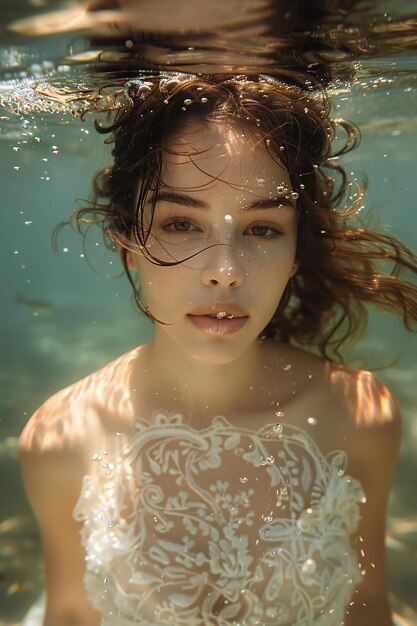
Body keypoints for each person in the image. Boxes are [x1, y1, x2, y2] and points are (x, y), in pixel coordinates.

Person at [19, 72, 417, 626]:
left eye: (261, 229)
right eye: (182, 223)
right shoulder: (60, 437)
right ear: (126, 241)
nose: (225, 274)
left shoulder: (359, 416)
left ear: (298, 248)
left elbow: (367, 606)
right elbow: (68, 615)